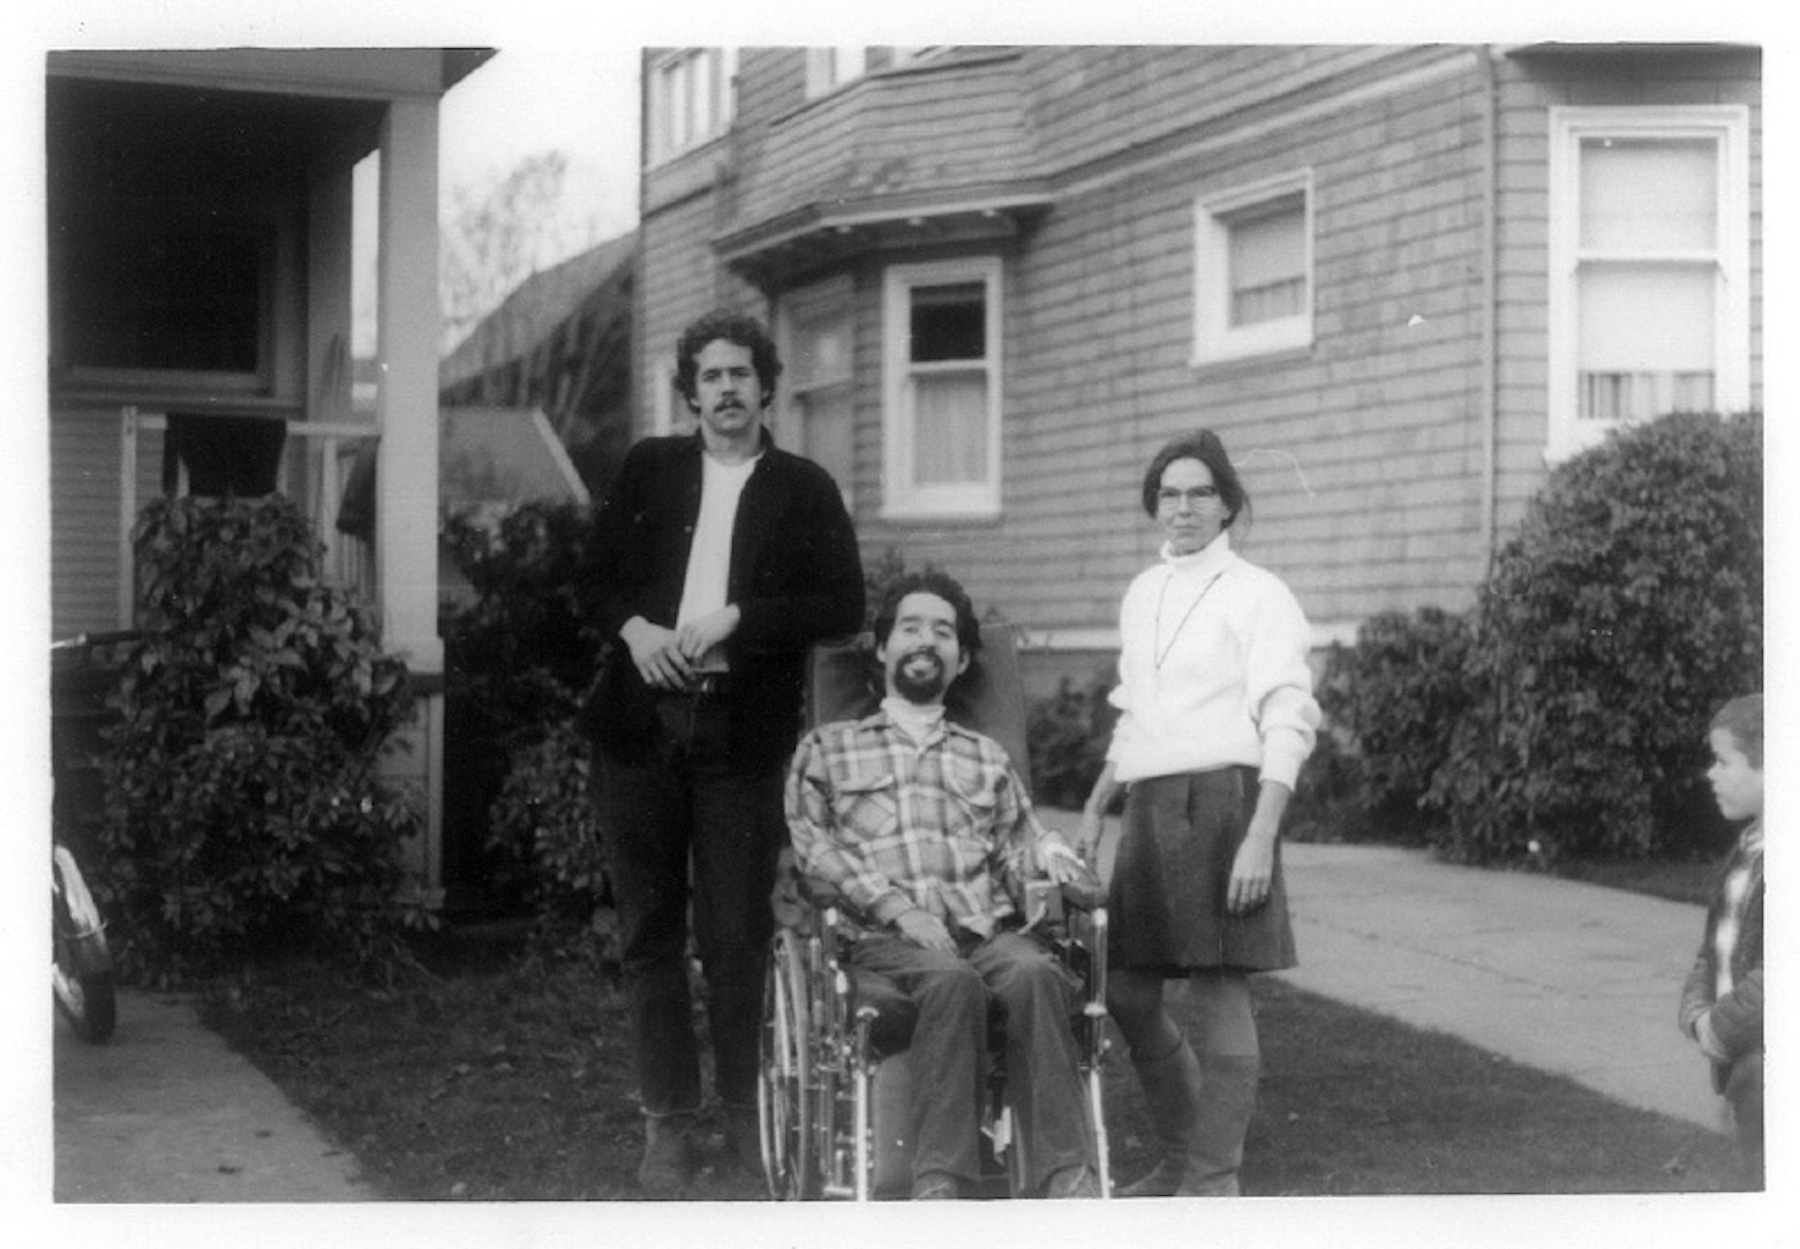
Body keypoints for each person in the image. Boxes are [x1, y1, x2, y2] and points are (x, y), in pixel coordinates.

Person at [579, 309, 865, 1194]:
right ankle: (670, 1119)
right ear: (690, 390)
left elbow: (843, 604)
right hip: (640, 730)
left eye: (742, 373)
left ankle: (744, 1113)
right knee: (649, 932)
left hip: (740, 734)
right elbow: (590, 578)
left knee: (736, 934)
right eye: (712, 375)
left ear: (767, 385)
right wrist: (635, 631)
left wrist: (741, 616)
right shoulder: (650, 469)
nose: (728, 389)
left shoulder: (803, 486)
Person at [786, 571, 1102, 1200]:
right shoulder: (827, 749)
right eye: (910, 628)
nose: (926, 641)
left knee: (1037, 975)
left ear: (960, 661)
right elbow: (814, 847)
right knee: (952, 981)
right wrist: (900, 910)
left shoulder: (985, 757)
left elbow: (1019, 842)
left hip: (984, 932)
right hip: (881, 941)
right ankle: (941, 1181)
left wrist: (1051, 857)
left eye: (943, 632)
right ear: (881, 651)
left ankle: (1068, 1178)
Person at [1071, 430, 1319, 1198]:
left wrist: (1259, 834)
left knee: (1219, 991)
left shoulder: (1258, 593)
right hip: (1149, 807)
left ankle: (1215, 1178)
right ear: (1155, 503)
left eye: (1200, 492)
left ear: (1227, 504)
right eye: (1170, 493)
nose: (1183, 506)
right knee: (1130, 991)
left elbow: (1289, 714)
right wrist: (1097, 799)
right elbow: (1134, 708)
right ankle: (1184, 1154)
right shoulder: (1143, 592)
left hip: (1223, 805)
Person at [1679, 693, 1764, 1187]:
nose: (1711, 774)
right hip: (1739, 1061)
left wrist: (1719, 1029)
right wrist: (1696, 1014)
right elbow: (1711, 950)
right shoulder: (1748, 850)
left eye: (1723, 760)